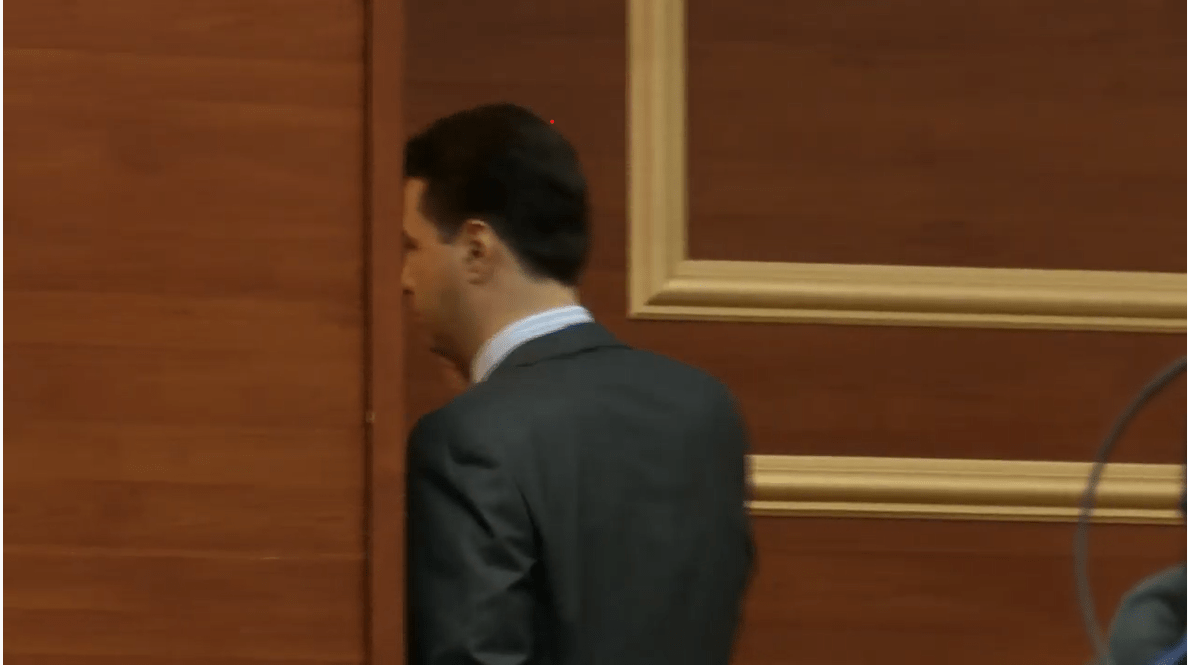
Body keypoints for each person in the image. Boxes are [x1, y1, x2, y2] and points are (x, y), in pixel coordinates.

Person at [401, 103, 754, 665]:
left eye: (412, 247)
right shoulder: (705, 410)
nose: (405, 279)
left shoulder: (466, 439)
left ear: (475, 249)